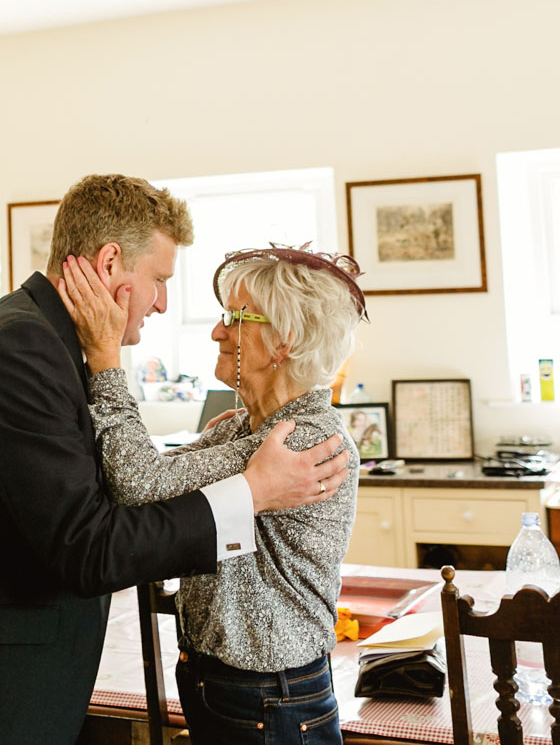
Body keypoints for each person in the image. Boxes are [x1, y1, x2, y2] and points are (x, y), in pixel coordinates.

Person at [0, 176, 351, 745]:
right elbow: (90, 543)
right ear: (112, 261)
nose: (164, 302)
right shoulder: (20, 350)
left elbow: (120, 490)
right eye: (159, 279)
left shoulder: (49, 343)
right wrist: (250, 492)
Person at [55, 243, 367, 744]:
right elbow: (128, 482)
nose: (218, 330)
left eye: (235, 316)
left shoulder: (303, 439)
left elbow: (140, 482)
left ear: (283, 340)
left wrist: (106, 357)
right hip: (222, 685)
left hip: (272, 696)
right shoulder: (242, 431)